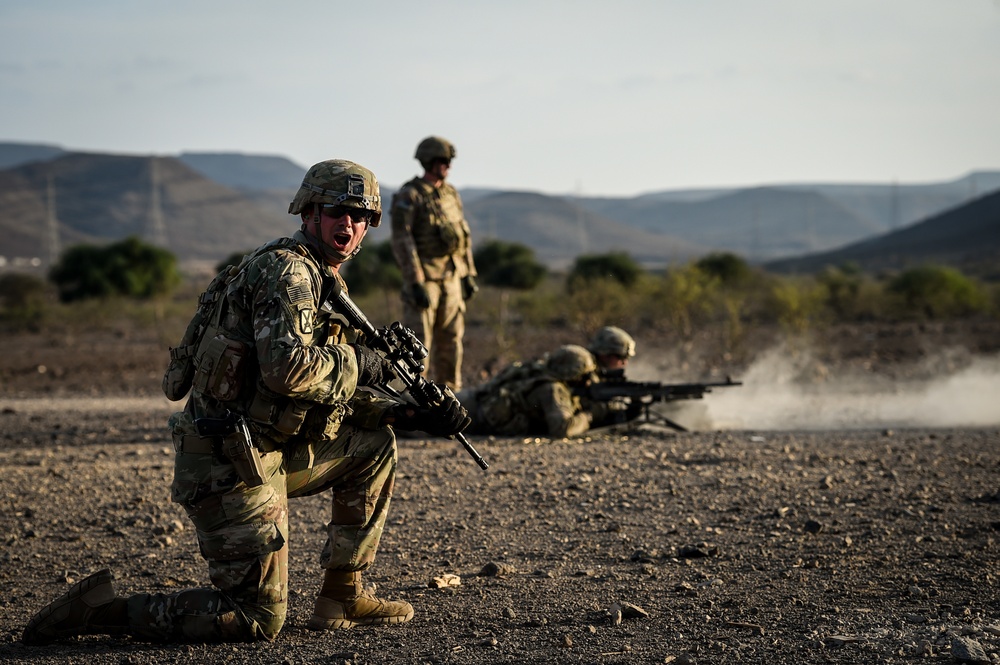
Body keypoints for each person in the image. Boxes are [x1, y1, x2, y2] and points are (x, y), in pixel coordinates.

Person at [22, 159, 471, 645]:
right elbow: (289, 372)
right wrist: (364, 362)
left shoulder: (324, 281)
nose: (349, 224)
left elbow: (322, 392)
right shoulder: (290, 274)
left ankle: (342, 596)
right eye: (338, 211)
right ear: (309, 213)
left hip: (269, 450)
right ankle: (98, 611)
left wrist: (408, 413)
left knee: (373, 443)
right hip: (226, 464)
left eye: (361, 216)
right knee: (256, 620)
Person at [390, 136, 478, 392]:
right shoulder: (410, 195)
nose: (447, 165)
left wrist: (467, 273)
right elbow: (402, 239)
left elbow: (463, 236)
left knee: (451, 339)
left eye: (449, 161)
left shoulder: (450, 193)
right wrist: (414, 281)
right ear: (428, 161)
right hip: (425, 279)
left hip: (451, 278)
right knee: (418, 343)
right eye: (441, 160)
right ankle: (413, 400)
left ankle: (450, 395)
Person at [461, 344, 598, 438]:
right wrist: (589, 416)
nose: (588, 381)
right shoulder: (552, 388)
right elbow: (562, 428)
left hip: (471, 401)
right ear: (571, 374)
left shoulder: (539, 371)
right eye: (584, 376)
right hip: (471, 417)